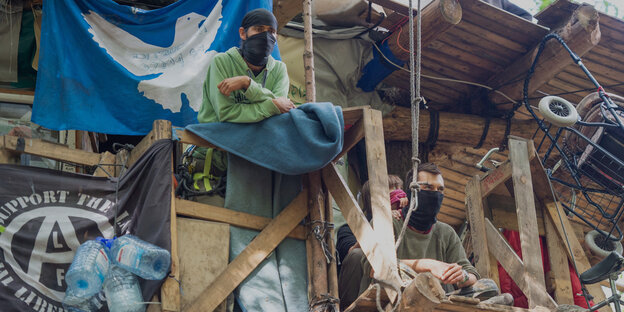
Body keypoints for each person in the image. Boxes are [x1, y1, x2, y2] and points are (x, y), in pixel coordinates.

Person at [339, 163, 480, 309]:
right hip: (383, 305)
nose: (435, 194)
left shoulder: (446, 232)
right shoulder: (385, 224)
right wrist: (429, 265)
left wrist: (462, 276)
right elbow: (374, 268)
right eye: (428, 187)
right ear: (411, 191)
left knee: (490, 287)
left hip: (431, 307)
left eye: (440, 189)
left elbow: (471, 274)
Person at [197, 8, 295, 124]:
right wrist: (271, 106)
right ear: (243, 33)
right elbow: (225, 113)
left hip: (257, 138)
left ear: (276, 37)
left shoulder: (279, 69)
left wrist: (246, 83)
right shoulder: (222, 62)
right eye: (259, 29)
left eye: (271, 31)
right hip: (215, 136)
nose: (265, 36)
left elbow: (280, 110)